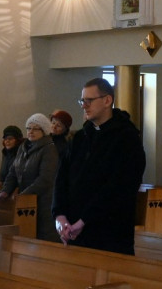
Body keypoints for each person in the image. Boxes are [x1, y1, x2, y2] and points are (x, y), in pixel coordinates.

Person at [52, 78, 146, 255]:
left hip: (109, 235)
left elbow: (119, 188)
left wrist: (84, 220)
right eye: (82, 101)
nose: (84, 106)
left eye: (89, 100)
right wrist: (60, 216)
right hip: (74, 232)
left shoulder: (127, 139)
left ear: (107, 100)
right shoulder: (79, 138)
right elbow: (61, 178)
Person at [0, 114, 60, 242]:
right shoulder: (23, 147)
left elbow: (45, 179)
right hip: (26, 203)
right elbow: (13, 172)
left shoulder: (49, 149)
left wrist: (24, 195)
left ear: (43, 131)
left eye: (35, 128)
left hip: (43, 203)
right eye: (28, 128)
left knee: (42, 239)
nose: (30, 131)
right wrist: (5, 191)